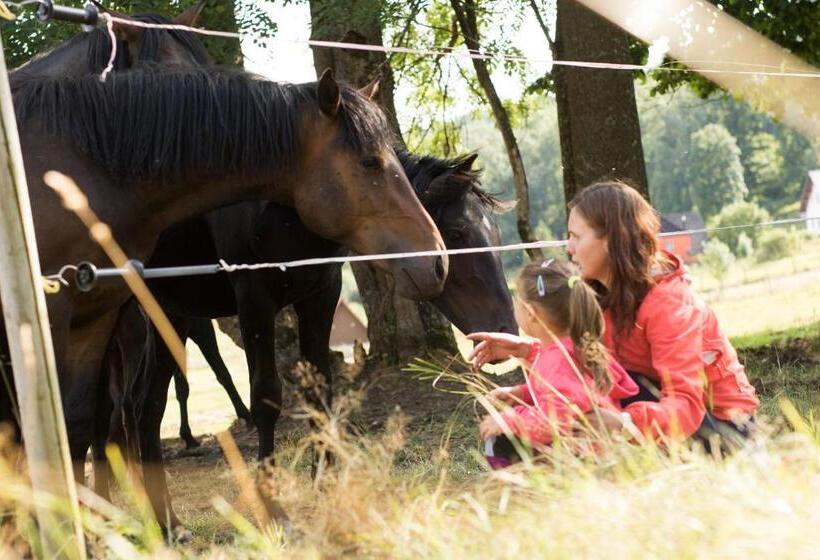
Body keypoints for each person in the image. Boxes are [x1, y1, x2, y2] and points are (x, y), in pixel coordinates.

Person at [566, 181, 758, 452]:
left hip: (726, 428)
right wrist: (529, 351)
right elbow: (578, 362)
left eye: (576, 237)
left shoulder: (669, 304)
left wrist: (624, 423)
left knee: (617, 392)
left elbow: (686, 406)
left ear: (610, 240)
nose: (569, 248)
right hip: (665, 414)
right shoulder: (601, 295)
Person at [469, 259, 639, 468]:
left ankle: (514, 488)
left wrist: (510, 421)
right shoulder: (576, 346)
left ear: (530, 313)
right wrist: (523, 393)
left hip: (582, 460)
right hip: (599, 451)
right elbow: (571, 393)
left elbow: (558, 418)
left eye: (516, 301)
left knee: (498, 440)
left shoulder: (556, 360)